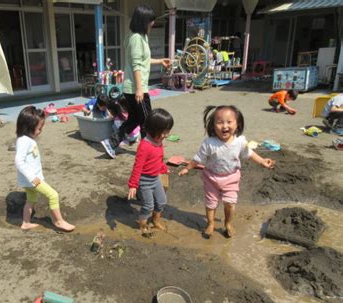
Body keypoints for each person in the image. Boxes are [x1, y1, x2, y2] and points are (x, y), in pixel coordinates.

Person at [179, 106, 275, 239]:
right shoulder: (209, 143)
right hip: (211, 177)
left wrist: (262, 161)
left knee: (230, 203)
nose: (224, 126)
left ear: (237, 124)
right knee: (211, 203)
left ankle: (228, 223)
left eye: (229, 122)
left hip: (231, 177)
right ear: (213, 126)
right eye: (220, 122)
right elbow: (197, 158)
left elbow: (249, 153)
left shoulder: (240, 141)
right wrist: (187, 168)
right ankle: (211, 224)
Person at [100, 4, 171, 159]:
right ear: (143, 21)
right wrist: (140, 89)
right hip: (136, 88)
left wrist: (160, 61)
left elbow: (143, 60)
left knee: (135, 119)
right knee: (148, 119)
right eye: (151, 20)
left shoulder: (139, 36)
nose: (153, 23)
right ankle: (149, 150)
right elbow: (136, 65)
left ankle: (111, 142)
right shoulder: (136, 38)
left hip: (133, 88)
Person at [15, 106, 75, 232]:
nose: (40, 131)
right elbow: (19, 161)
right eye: (39, 128)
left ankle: (26, 222)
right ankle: (59, 221)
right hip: (32, 179)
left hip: (30, 180)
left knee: (31, 199)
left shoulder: (26, 139)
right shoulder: (24, 141)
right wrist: (33, 178)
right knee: (53, 195)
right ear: (28, 127)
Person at [127, 108, 174, 237]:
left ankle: (155, 220)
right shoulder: (144, 146)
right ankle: (143, 225)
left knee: (162, 201)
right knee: (148, 205)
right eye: (163, 132)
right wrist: (133, 185)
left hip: (155, 178)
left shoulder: (158, 142)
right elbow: (137, 167)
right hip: (145, 181)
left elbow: (158, 159)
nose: (165, 135)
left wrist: (163, 168)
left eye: (167, 132)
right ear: (153, 129)